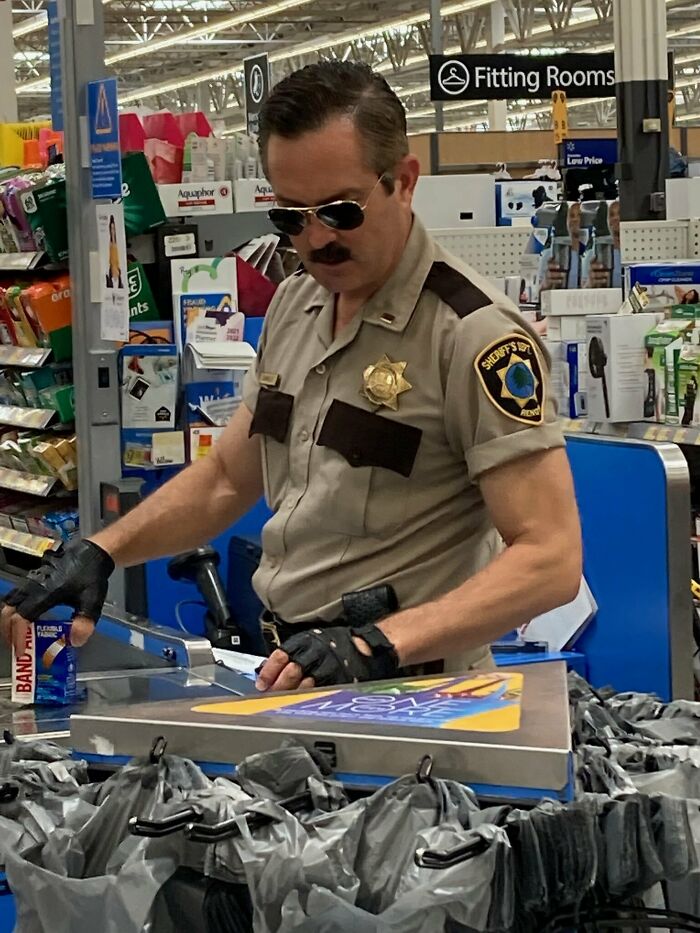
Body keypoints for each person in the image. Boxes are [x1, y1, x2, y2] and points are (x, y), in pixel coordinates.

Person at [0, 62, 581, 692]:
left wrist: (377, 644)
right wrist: (103, 551)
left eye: (340, 211)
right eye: (291, 217)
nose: (316, 239)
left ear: (405, 182)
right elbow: (227, 477)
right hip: (291, 673)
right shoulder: (294, 305)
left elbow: (550, 558)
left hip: (412, 689)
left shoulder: (475, 334)